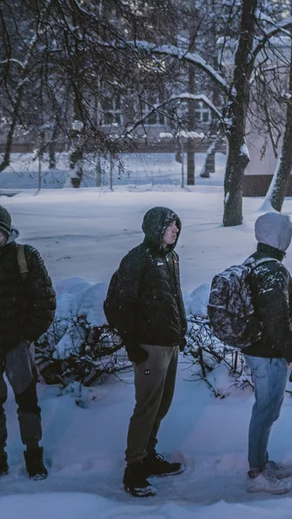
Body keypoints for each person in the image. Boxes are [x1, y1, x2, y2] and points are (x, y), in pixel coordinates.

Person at [111, 207, 187, 497]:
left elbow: (174, 296)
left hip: (170, 344)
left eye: (177, 225)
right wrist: (131, 342)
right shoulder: (138, 259)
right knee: (146, 407)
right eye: (170, 226)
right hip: (148, 347)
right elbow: (123, 304)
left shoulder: (171, 257)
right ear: (155, 228)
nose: (175, 230)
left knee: (162, 405)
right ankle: (133, 470)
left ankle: (148, 456)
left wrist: (182, 329)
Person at [242, 212, 292, 495]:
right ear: (276, 236)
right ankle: (256, 474)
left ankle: (261, 462)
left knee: (265, 410)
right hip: (268, 354)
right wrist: (290, 352)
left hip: (258, 350)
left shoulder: (254, 263)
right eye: (287, 231)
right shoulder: (272, 270)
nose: (290, 236)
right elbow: (278, 319)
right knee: (265, 411)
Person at [0, 205, 55, 480]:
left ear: (7, 233)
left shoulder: (25, 257)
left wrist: (27, 336)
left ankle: (34, 456)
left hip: (17, 344)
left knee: (27, 400)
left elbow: (45, 301)